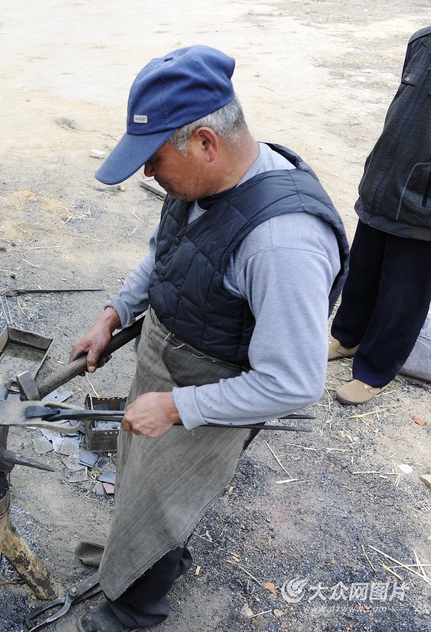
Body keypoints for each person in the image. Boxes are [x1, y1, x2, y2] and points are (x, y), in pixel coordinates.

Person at [68, 46, 348, 631]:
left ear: (204, 142)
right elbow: (165, 251)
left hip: (213, 388)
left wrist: (176, 406)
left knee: (167, 494)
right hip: (171, 360)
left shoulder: (283, 244)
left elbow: (293, 383)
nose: (148, 173)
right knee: (146, 480)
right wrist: (114, 313)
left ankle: (134, 610)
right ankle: (150, 556)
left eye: (154, 159)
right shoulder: (195, 186)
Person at [329, 26, 431, 405]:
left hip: (424, 202)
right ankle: (348, 336)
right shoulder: (423, 42)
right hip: (385, 184)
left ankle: (376, 368)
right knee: (364, 270)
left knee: (403, 292)